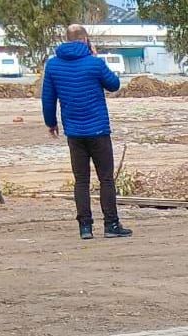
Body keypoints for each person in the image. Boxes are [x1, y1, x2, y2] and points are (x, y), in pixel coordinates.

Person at [42, 24, 130, 239]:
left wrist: (51, 122)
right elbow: (114, 85)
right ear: (85, 40)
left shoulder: (52, 66)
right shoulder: (94, 63)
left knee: (81, 180)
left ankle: (85, 227)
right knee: (106, 179)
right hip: (98, 129)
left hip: (74, 132)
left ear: (66, 39)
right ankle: (111, 224)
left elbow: (48, 98)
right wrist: (96, 57)